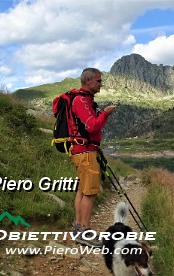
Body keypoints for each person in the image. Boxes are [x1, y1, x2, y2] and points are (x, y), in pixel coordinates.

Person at [51, 68, 116, 246]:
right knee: (90, 192)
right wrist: (105, 113)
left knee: (82, 190)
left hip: (82, 151)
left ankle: (78, 227)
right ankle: (84, 232)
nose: (101, 84)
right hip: (86, 153)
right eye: (98, 81)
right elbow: (92, 126)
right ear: (88, 81)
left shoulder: (81, 99)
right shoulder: (81, 101)